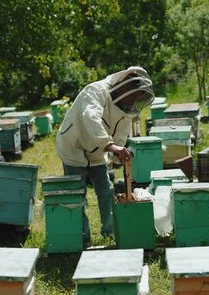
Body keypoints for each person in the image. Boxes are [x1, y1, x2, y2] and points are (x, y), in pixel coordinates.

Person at [56, 66, 155, 244]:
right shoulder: (95, 90)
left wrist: (119, 154)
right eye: (132, 97)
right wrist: (109, 145)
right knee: (76, 194)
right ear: (124, 87)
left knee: (106, 191)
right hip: (74, 146)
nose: (132, 103)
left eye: (136, 100)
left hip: (98, 152)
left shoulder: (125, 107)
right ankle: (82, 237)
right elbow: (91, 117)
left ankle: (109, 231)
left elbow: (121, 134)